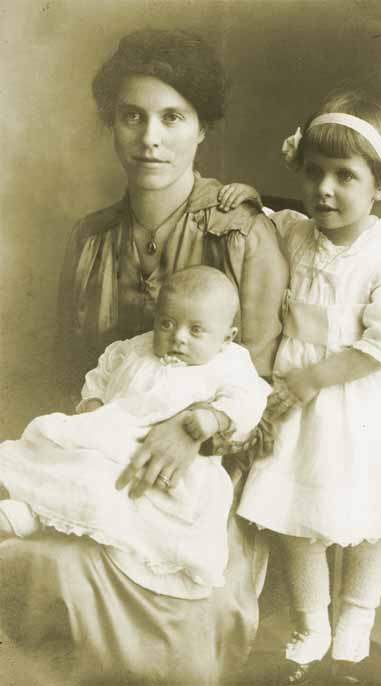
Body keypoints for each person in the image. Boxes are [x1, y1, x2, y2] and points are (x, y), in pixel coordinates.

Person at [0, 28, 288, 686]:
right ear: (112, 126)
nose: (150, 138)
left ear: (201, 129)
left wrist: (192, 433)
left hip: (204, 492)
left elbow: (267, 396)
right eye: (132, 117)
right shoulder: (92, 238)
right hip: (94, 467)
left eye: (172, 117)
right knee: (31, 561)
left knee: (155, 593)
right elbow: (70, 376)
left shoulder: (244, 234)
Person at [224, 91, 381, 684]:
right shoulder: (295, 232)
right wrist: (241, 197)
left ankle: (355, 624)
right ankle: (310, 625)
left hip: (361, 393)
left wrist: (312, 379)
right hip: (301, 392)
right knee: (299, 518)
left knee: (367, 519)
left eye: (345, 177)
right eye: (314, 172)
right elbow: (259, 215)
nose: (325, 189)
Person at [0, 267, 271, 599]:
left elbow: (250, 398)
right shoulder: (136, 347)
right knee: (53, 439)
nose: (178, 337)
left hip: (165, 458)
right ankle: (35, 505)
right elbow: (104, 370)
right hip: (108, 433)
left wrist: (214, 418)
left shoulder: (229, 362)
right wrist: (93, 400)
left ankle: (41, 517)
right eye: (167, 323)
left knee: (105, 483)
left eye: (196, 330)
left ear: (226, 338)